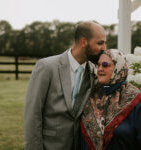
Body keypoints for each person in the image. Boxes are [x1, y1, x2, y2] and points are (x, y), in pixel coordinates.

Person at [24, 21, 106, 150]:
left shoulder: (94, 72)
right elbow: (33, 114)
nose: (104, 48)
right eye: (100, 43)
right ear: (83, 42)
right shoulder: (46, 67)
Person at [80, 49, 141, 150]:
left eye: (105, 65)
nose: (99, 69)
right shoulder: (90, 96)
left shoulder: (136, 99)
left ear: (119, 67)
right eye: (98, 65)